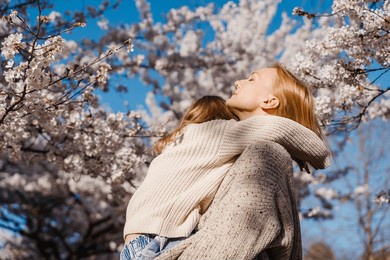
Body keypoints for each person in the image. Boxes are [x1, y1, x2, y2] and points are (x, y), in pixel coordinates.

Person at [121, 63, 331, 259]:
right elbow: (280, 128)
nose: (238, 82)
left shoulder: (212, 141)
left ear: (269, 100)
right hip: (156, 241)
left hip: (140, 241)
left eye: (251, 79)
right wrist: (319, 155)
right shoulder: (221, 135)